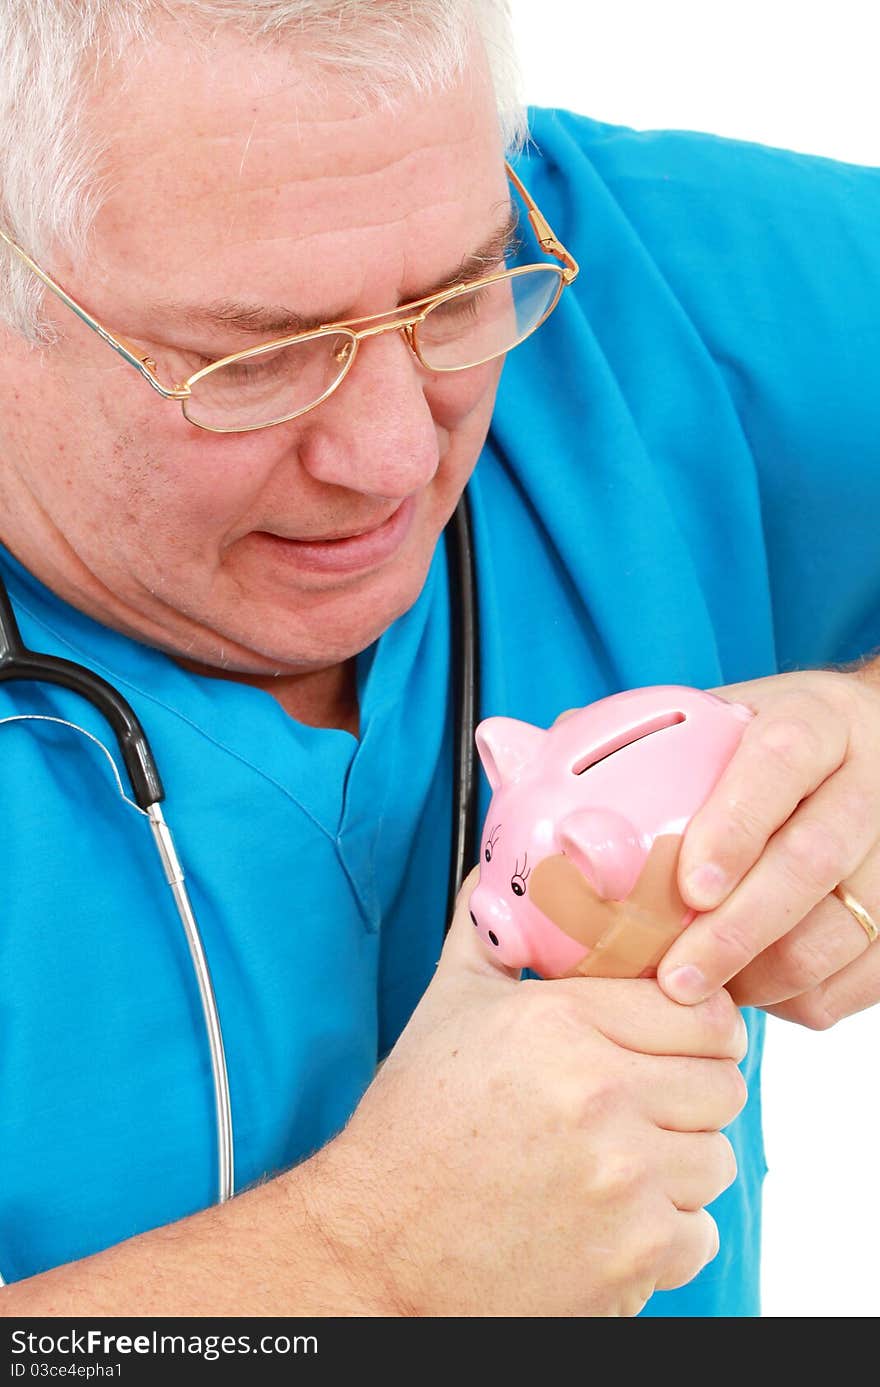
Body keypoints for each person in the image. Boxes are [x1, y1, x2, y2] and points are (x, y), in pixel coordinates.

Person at [0, 0, 878, 1319]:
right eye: (257, 356)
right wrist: (357, 1265)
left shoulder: (644, 275)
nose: (397, 457)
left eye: (459, 295)